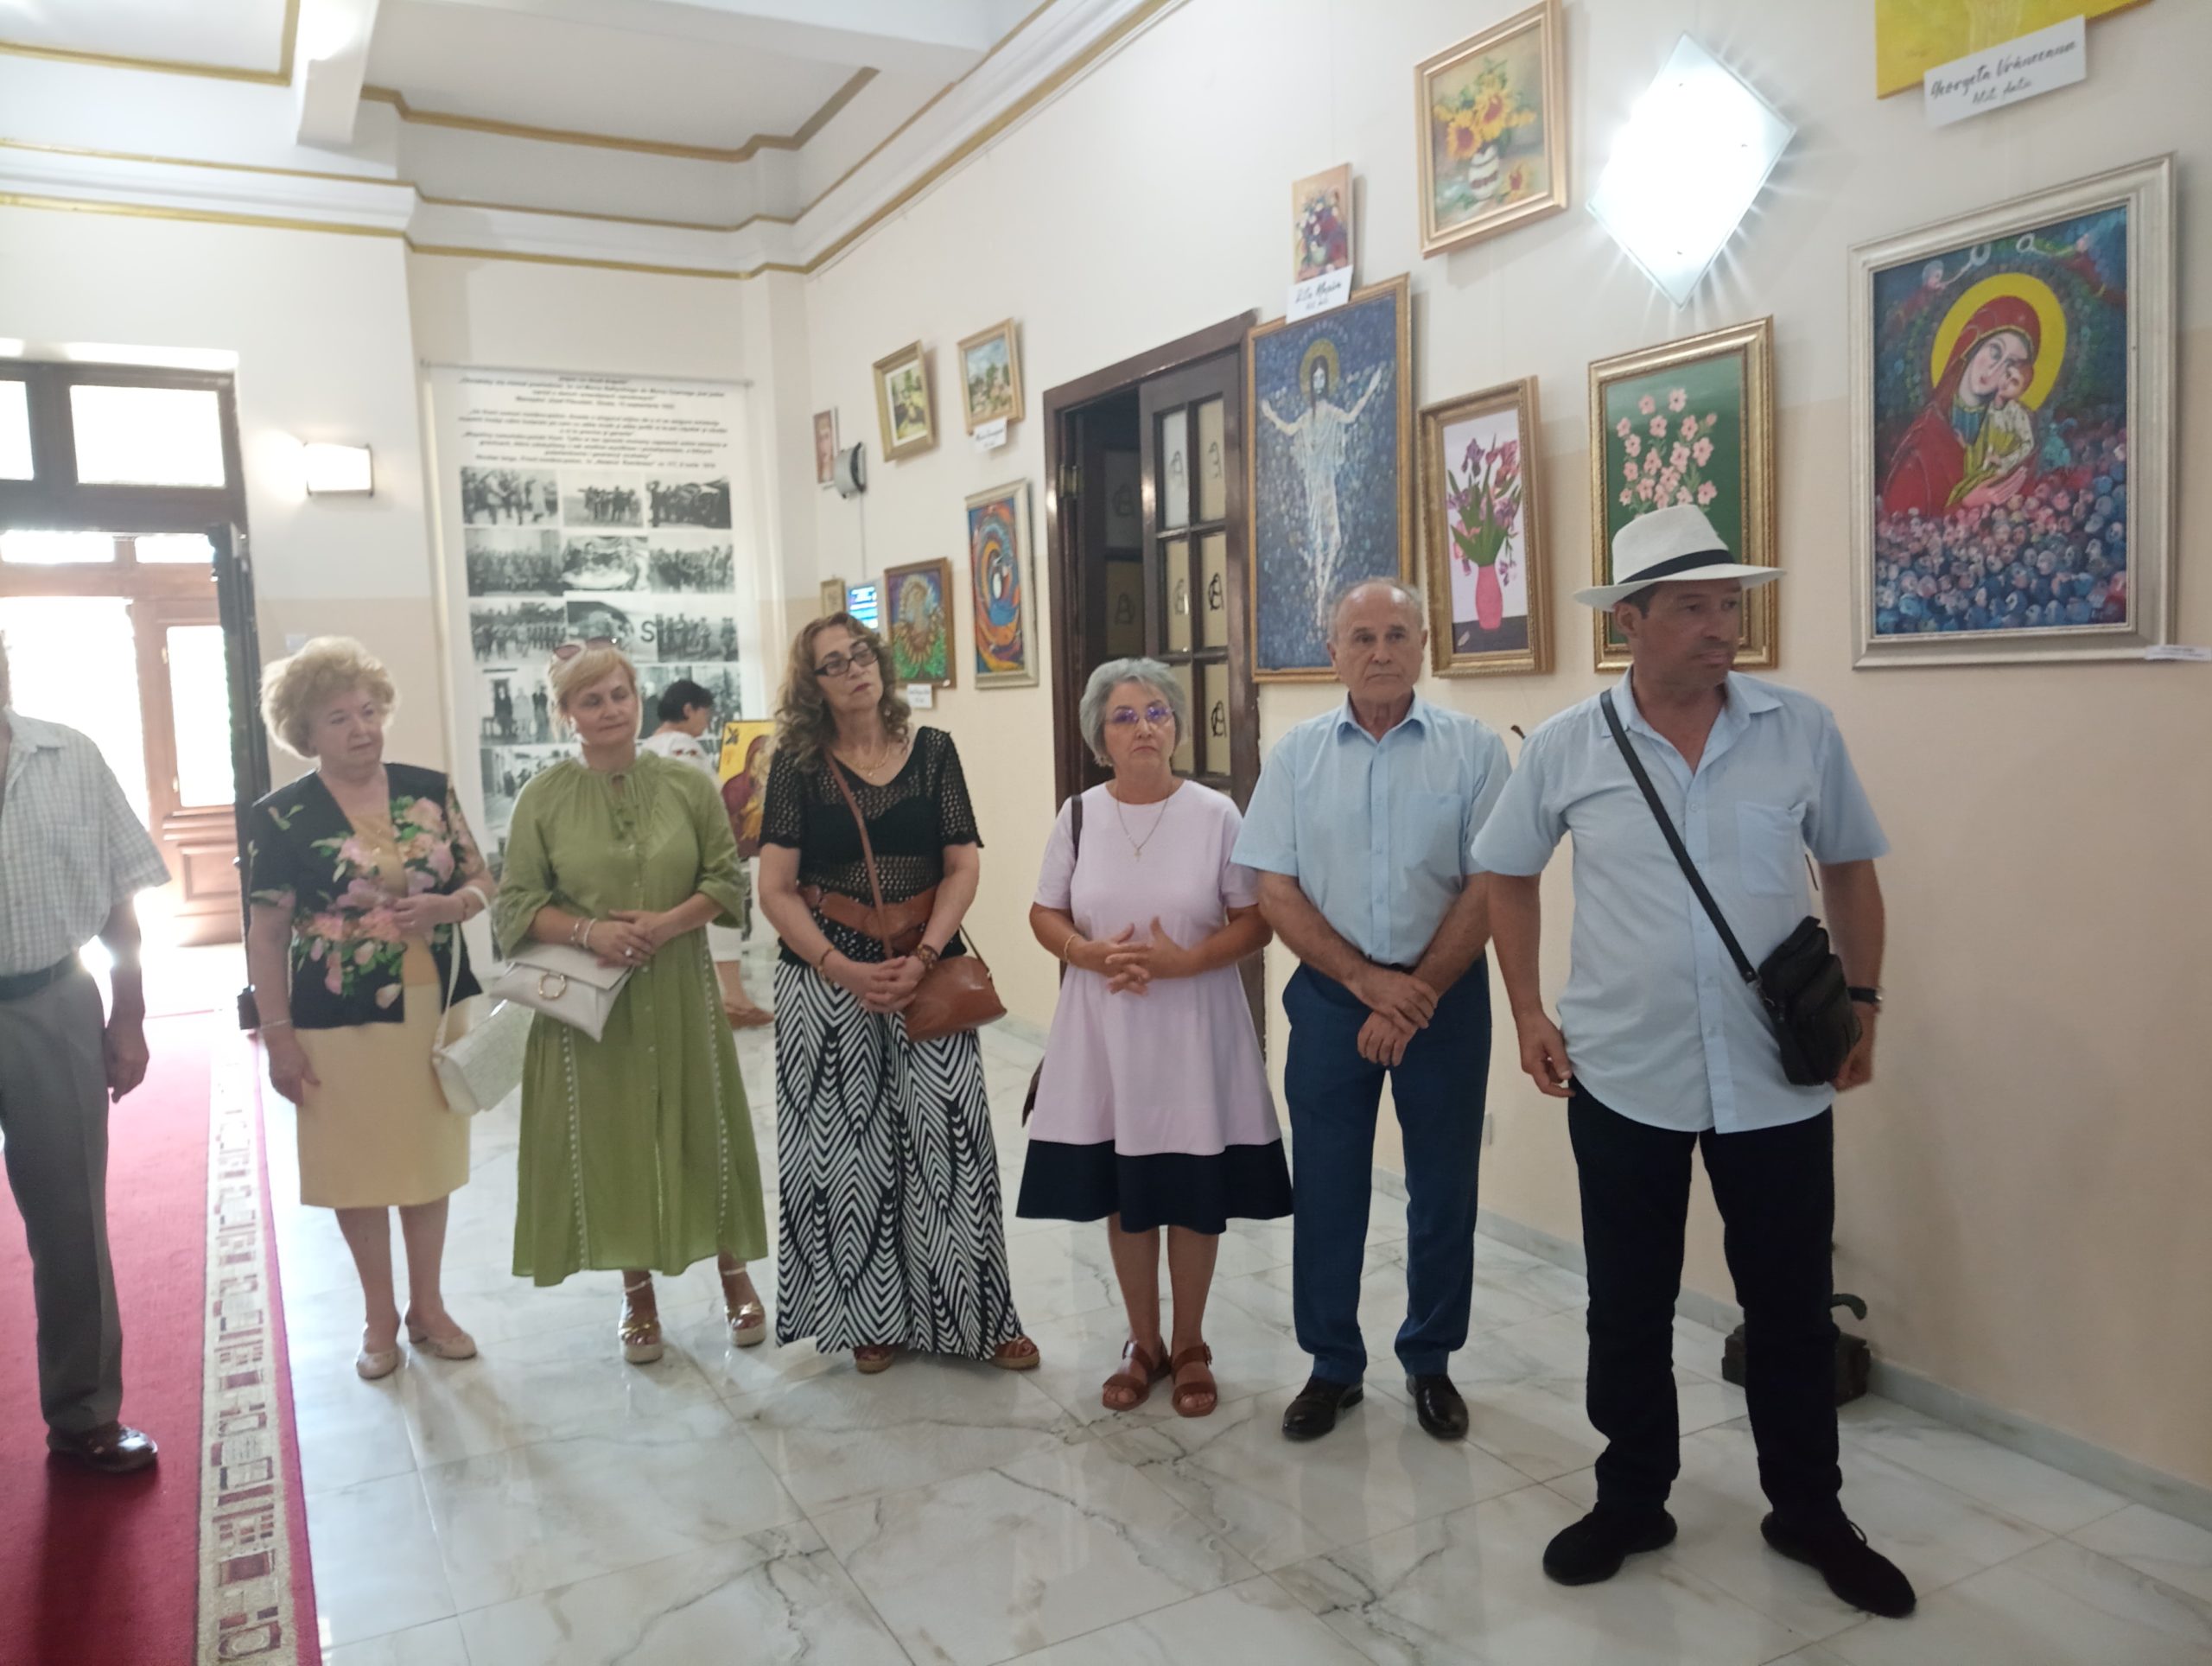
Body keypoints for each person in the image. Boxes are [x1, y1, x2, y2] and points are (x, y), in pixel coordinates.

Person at [1473, 504, 1914, 1618]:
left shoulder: (1798, 728)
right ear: (1629, 620)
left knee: (1789, 1304)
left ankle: (1807, 1508)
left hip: (1775, 1077)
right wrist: (1524, 1007)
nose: (1722, 626)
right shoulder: (1570, 743)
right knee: (1627, 1301)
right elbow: (1506, 873)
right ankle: (1632, 1495)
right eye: (1693, 608)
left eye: (1729, 604)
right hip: (1623, 1070)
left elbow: (1849, 867)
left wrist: (1863, 1002)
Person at [1233, 579, 1510, 1444]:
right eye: (1361, 637)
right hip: (1330, 1000)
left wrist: (1412, 992)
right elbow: (1274, 889)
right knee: (1326, 1186)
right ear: (1333, 654)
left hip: (1444, 999)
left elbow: (1491, 885)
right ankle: (1332, 1365)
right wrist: (1365, 982)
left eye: (1396, 634)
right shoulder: (1295, 756)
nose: (1380, 651)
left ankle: (1430, 1358)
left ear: (1424, 645)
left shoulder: (1473, 751)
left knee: (1443, 1189)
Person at [755, 614, 1035, 1374]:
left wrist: (928, 952)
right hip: (827, 978)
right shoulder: (797, 767)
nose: (854, 669)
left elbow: (962, 865)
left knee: (953, 1147)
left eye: (861, 655)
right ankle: (870, 1318)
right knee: (847, 1155)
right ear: (813, 686)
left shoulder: (933, 752)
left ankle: (982, 1318)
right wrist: (839, 967)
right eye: (834, 664)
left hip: (926, 968)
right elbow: (774, 889)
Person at [1019, 659, 1289, 1417]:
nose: (1144, 726)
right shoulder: (1079, 816)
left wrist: (1186, 962)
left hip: (1194, 1029)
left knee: (1196, 1189)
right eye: (1125, 716)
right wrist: (1085, 952)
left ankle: (1192, 1343)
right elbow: (1044, 912)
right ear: (1099, 738)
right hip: (1107, 1031)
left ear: (1177, 726)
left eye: (1157, 713)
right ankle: (1144, 1343)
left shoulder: (1216, 814)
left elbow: (1256, 921)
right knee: (1125, 1189)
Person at [490, 641, 769, 1363]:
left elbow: (725, 879)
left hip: (681, 992)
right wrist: (593, 932)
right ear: (566, 714)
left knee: (701, 1127)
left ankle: (734, 1274)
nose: (610, 710)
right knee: (615, 1141)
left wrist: (666, 925)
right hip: (593, 1004)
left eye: (620, 694)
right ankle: (636, 1293)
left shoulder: (686, 785)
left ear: (638, 698)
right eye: (591, 700)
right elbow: (515, 905)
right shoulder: (543, 798)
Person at [245, 639, 495, 1380]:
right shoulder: (282, 816)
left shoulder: (429, 788)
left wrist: (452, 905)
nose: (362, 728)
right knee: (356, 1166)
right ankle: (378, 1314)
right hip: (335, 1015)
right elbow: (266, 931)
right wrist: (278, 1035)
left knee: (427, 1158)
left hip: (433, 1008)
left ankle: (429, 1306)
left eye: (368, 711)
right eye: (339, 718)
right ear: (305, 732)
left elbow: (484, 878)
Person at [0, 633, 170, 1473]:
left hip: (54, 1001)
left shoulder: (70, 755)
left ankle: (84, 1415)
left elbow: (117, 899)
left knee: (71, 1220)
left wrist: (128, 1013)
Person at [640, 677, 772, 1030]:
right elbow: (705, 799)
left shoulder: (647, 747)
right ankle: (734, 999)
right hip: (693, 846)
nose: (707, 721)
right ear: (688, 709)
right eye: (705, 713)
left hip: (658, 851)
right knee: (720, 915)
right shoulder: (683, 746)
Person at [1879, 295, 2038, 518]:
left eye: (2010, 366)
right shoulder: (1925, 436)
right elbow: (1901, 520)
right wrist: (1966, 504)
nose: (1995, 371)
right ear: (1972, 346)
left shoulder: (2007, 432)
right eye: (1995, 352)